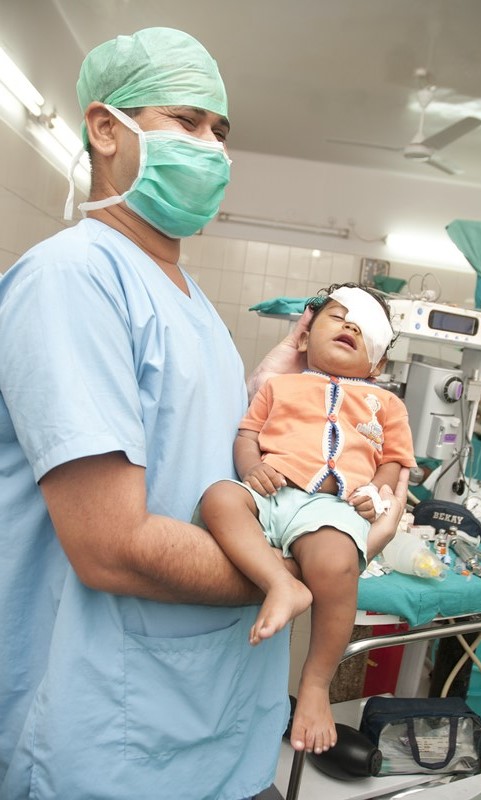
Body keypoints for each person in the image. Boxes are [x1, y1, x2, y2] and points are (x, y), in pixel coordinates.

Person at [0, 27, 317, 800]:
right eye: (187, 122)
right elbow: (114, 544)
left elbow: (182, 448)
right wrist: (297, 568)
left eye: (220, 131)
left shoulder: (189, 299)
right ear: (106, 129)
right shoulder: (73, 279)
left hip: (211, 720)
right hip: (108, 731)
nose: (213, 149)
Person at [201, 283, 416, 756]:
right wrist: (250, 467)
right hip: (271, 491)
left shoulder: (388, 406)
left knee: (337, 565)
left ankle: (316, 683)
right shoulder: (280, 386)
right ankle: (280, 582)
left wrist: (378, 495)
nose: (351, 326)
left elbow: (393, 463)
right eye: (339, 316)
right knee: (217, 499)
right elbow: (247, 435)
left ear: (377, 364)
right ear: (304, 337)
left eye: (365, 329)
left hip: (329, 509)